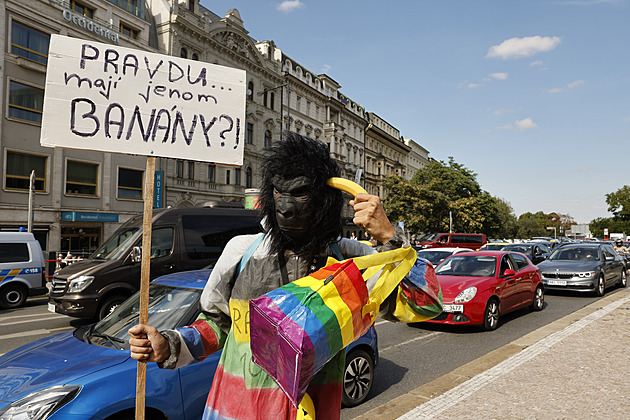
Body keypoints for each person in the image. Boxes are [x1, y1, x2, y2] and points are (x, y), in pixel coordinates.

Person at [128, 133, 422, 420]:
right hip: (238, 409)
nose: (285, 207)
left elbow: (424, 305)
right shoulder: (242, 251)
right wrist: (170, 344)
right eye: (280, 192)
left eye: (301, 193)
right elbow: (217, 326)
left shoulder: (353, 260)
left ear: (325, 199)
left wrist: (390, 235)